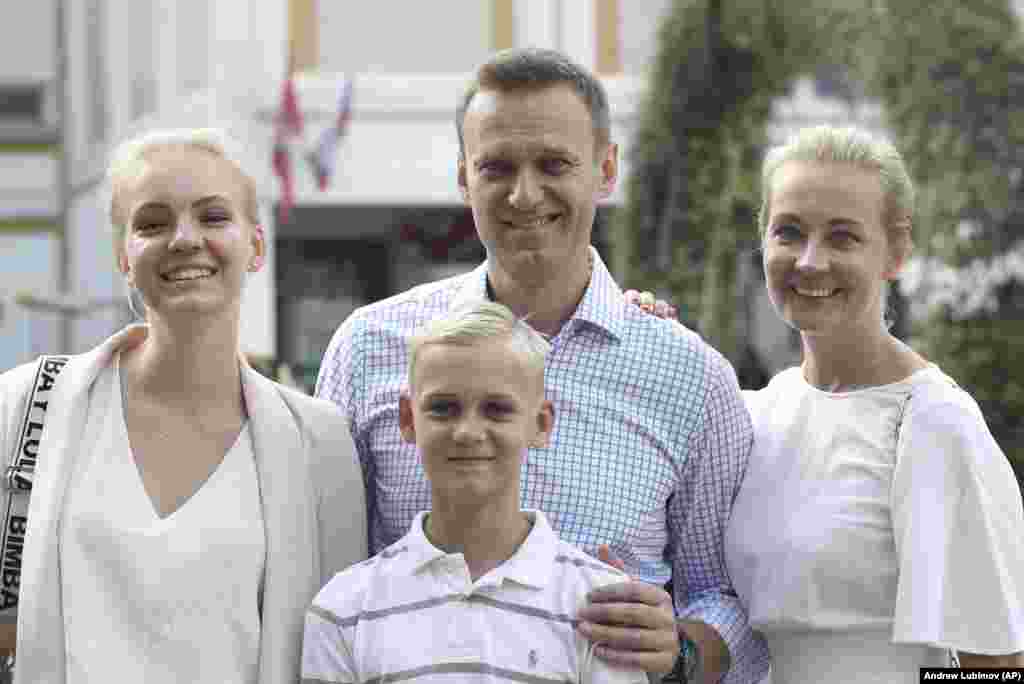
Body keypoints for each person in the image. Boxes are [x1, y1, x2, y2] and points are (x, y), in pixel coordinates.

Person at [316, 48, 767, 683]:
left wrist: (682, 650)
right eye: (496, 167)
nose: (525, 194)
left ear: (605, 170)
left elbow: (733, 600)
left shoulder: (690, 376)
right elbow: (327, 575)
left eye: (554, 164)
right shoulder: (369, 349)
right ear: (462, 176)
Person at [0, 128, 367, 684]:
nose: (184, 239)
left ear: (256, 246)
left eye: (213, 217)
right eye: (152, 223)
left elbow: (336, 656)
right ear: (124, 257)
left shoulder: (322, 443)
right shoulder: (27, 405)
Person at [723, 125, 1024, 682]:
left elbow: (997, 664)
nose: (810, 262)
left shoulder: (932, 422)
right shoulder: (758, 412)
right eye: (789, 232)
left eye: (842, 238)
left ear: (896, 251)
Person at [303, 301, 648, 683]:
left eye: (497, 409)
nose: (468, 431)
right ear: (407, 419)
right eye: (443, 408)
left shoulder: (599, 603)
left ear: (541, 423)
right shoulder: (345, 609)